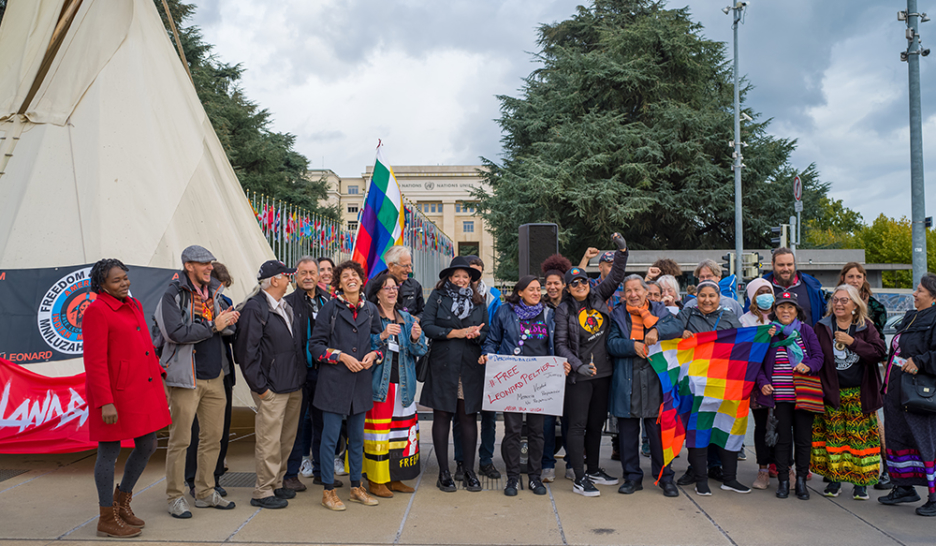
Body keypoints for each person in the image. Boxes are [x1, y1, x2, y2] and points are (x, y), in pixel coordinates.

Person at [83, 259, 171, 538]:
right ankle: (106, 517)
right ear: (102, 285)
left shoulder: (132, 304)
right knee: (108, 452)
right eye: (116, 280)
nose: (124, 283)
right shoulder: (96, 311)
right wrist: (104, 401)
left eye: (125, 277)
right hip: (114, 396)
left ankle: (122, 502)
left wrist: (159, 372)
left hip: (141, 389)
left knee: (148, 444)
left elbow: (144, 344)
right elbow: (94, 362)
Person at [156, 245, 238, 518]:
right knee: (181, 440)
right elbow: (174, 333)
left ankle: (204, 492)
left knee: (213, 439)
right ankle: (175, 496)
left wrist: (227, 322)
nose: (209, 268)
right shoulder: (173, 293)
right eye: (203, 264)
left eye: (210, 264)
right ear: (188, 265)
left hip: (214, 376)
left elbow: (219, 328)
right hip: (185, 377)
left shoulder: (214, 292)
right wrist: (214, 325)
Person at [482, 276, 570, 496]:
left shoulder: (548, 313)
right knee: (512, 430)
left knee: (536, 431)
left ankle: (534, 477)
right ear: (519, 292)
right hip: (512, 379)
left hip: (540, 380)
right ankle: (512, 478)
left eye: (537, 289)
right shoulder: (505, 311)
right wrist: (486, 354)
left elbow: (558, 343)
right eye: (531, 289)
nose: (536, 293)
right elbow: (492, 340)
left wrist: (563, 363)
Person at [556, 233, 628, 497]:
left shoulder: (598, 296)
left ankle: (595, 469)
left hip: (604, 373)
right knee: (577, 425)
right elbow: (560, 345)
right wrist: (577, 366)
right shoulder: (563, 310)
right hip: (580, 377)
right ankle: (579, 476)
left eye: (582, 281)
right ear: (568, 287)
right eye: (574, 283)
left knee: (597, 424)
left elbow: (616, 276)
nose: (579, 285)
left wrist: (622, 251)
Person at [309, 260, 384, 511]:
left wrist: (374, 355)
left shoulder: (371, 309)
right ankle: (328, 491)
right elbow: (315, 346)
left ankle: (355, 487)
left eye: (355, 275)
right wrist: (340, 355)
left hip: (360, 383)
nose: (350, 279)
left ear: (361, 280)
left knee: (357, 439)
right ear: (338, 283)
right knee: (330, 439)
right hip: (333, 383)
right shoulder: (329, 309)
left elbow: (379, 344)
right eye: (345, 276)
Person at [234, 260, 306, 509]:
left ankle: (276, 483)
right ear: (274, 280)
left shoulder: (284, 305)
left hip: (292, 384)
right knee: (269, 440)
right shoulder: (255, 308)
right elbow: (246, 352)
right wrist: (261, 387)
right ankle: (263, 491)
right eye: (287, 276)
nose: (290, 280)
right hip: (272, 388)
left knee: (285, 439)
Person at [607, 275, 682, 497]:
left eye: (637, 290)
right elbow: (611, 343)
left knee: (658, 435)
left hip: (654, 380)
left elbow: (677, 327)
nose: (633, 294)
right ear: (623, 294)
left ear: (645, 291)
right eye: (628, 290)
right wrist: (632, 346)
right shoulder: (617, 314)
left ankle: (665, 477)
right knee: (628, 435)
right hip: (626, 379)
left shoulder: (660, 310)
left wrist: (657, 331)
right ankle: (632, 477)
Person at [419, 256, 489, 492]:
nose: (461, 279)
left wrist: (475, 334)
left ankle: (469, 470)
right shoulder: (438, 298)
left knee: (468, 417)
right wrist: (456, 333)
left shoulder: (479, 302)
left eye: (465, 276)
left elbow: (486, 331)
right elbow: (427, 326)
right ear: (449, 277)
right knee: (442, 417)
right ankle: (444, 473)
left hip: (469, 367)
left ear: (471, 280)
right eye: (457, 275)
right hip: (444, 365)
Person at [812, 284, 886, 500]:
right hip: (832, 393)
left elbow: (878, 352)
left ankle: (860, 484)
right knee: (834, 438)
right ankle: (834, 481)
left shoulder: (865, 327)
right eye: (835, 300)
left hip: (859, 394)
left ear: (855, 305)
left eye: (844, 300)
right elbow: (816, 356)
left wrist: (853, 342)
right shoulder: (822, 326)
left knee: (860, 440)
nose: (839, 304)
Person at [676, 280, 747, 495]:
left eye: (711, 296)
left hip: (723, 383)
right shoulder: (686, 316)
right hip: (695, 385)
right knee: (698, 428)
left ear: (719, 298)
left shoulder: (729, 317)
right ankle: (700, 480)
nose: (707, 300)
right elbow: (669, 334)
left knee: (726, 426)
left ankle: (729, 478)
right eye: (702, 295)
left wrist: (765, 334)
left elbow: (744, 343)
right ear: (696, 297)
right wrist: (680, 334)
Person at [363, 272, 428, 497]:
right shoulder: (371, 316)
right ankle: (376, 481)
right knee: (379, 435)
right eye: (386, 288)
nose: (392, 291)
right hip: (380, 386)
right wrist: (381, 335)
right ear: (377, 294)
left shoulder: (406, 318)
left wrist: (416, 338)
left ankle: (395, 478)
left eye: (394, 287)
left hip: (404, 387)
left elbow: (420, 351)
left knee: (401, 434)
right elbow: (362, 345)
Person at [755, 291, 824, 500]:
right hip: (779, 397)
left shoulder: (806, 331)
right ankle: (784, 481)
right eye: (782, 307)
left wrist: (808, 366)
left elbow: (819, 357)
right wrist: (764, 383)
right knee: (782, 440)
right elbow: (757, 363)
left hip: (803, 395)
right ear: (775, 310)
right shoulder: (769, 332)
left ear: (797, 311)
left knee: (803, 440)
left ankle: (801, 481)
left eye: (790, 307)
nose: (786, 311)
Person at [879, 274, 936, 516]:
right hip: (896, 390)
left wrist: (921, 361)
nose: (914, 294)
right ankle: (903, 487)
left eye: (920, 291)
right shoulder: (912, 318)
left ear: (933, 297)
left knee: (924, 441)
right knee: (898, 437)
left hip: (918, 392)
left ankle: (934, 496)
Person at [834, 262, 891, 489]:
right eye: (850, 276)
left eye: (859, 276)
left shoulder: (875, 307)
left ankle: (888, 469)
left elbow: (877, 345)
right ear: (843, 278)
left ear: (864, 278)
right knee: (839, 430)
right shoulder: (836, 301)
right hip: (839, 376)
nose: (855, 280)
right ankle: (839, 473)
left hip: (864, 377)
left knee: (873, 427)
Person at [282, 257, 335, 493]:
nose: (308, 276)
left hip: (324, 373)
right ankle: (290, 474)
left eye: (312, 272)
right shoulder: (287, 303)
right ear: (296, 275)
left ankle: (322, 471)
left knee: (322, 424)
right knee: (295, 425)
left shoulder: (328, 301)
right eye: (303, 272)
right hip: (298, 373)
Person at [184, 263, 237, 499]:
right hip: (199, 373)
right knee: (196, 433)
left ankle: (214, 477)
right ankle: (193, 479)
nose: (221, 293)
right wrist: (217, 324)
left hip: (223, 373)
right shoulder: (191, 302)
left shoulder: (225, 303)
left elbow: (234, 333)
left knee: (220, 431)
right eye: (219, 288)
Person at [452, 256, 502, 481]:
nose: (469, 277)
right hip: (462, 360)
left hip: (487, 359)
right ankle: (461, 461)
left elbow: (496, 328)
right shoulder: (452, 296)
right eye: (465, 273)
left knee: (489, 414)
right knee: (460, 415)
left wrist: (488, 349)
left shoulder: (492, 297)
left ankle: (486, 460)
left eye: (474, 273)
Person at [738, 278, 776, 490]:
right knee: (762, 425)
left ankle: (781, 466)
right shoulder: (745, 320)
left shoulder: (782, 316)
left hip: (781, 380)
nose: (764, 296)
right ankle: (762, 468)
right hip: (756, 381)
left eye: (767, 291)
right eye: (760, 292)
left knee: (782, 424)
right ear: (752, 296)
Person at [540, 254, 572, 482]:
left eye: (556, 283)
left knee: (571, 420)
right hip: (546, 372)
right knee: (547, 422)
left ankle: (572, 463)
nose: (552, 287)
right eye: (548, 283)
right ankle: (547, 464)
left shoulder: (573, 306)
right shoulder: (538, 307)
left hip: (570, 370)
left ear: (564, 285)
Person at [763, 248, 826, 327]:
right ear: (773, 264)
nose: (786, 269)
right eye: (781, 265)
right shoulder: (761, 287)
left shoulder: (812, 287)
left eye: (789, 264)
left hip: (807, 338)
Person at [385, 245, 424, 318]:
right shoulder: (375, 285)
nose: (410, 270)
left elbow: (423, 311)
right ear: (391, 266)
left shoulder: (415, 286)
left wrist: (417, 319)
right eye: (405, 266)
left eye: (410, 265)